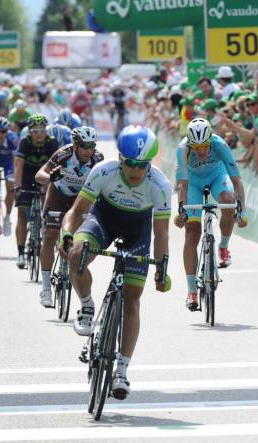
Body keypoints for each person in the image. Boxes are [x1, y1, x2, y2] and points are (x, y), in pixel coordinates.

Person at [59, 126, 171, 400]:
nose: (136, 170)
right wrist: (66, 235)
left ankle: (121, 370)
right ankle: (86, 306)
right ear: (120, 158)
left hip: (138, 231)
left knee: (132, 300)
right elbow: (76, 212)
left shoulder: (160, 185)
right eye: (130, 163)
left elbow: (162, 232)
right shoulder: (104, 171)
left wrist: (162, 267)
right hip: (103, 220)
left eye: (143, 165)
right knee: (77, 254)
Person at [175, 118, 247, 311]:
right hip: (193, 183)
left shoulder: (220, 144)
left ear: (210, 141)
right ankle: (191, 291)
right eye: (196, 146)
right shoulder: (183, 149)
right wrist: (181, 209)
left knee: (227, 200)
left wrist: (242, 210)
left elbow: (237, 181)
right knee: (191, 233)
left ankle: (223, 247)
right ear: (190, 143)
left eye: (204, 146)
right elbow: (182, 184)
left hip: (217, 176)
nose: (200, 151)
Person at [34, 126, 103, 307]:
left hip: (79, 198)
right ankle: (46, 288)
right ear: (75, 145)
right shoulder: (63, 155)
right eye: (85, 146)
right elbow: (38, 175)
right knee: (49, 236)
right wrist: (51, 177)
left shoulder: (97, 159)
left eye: (92, 146)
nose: (89, 150)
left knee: (72, 241)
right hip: (58, 194)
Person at [13, 114, 60, 268]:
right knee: (22, 214)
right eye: (35, 130)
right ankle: (21, 253)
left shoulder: (52, 142)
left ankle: (47, 227)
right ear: (30, 131)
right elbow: (18, 166)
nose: (39, 133)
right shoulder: (24, 142)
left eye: (42, 130)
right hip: (27, 178)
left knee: (52, 205)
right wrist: (17, 186)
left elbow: (57, 167)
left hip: (44, 178)